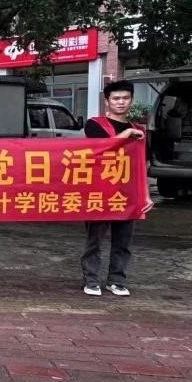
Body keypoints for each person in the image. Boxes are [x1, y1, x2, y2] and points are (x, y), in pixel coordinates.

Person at [81, 80, 154, 296]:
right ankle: (91, 280)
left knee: (123, 241)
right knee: (94, 240)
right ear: (107, 102)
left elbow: (143, 165)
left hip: (127, 194)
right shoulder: (94, 125)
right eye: (116, 98)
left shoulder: (139, 131)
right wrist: (126, 134)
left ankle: (116, 280)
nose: (121, 102)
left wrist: (146, 195)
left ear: (131, 100)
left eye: (125, 98)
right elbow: (103, 148)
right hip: (99, 192)